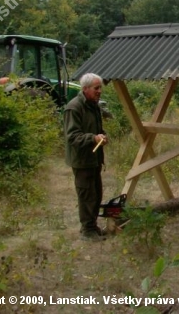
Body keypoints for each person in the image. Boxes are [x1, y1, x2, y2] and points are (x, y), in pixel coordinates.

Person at [64, 73, 109, 241]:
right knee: (86, 195)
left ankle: (92, 226)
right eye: (96, 88)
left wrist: (102, 136)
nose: (99, 92)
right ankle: (87, 231)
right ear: (85, 89)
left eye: (100, 88)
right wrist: (93, 138)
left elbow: (96, 129)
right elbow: (72, 136)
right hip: (82, 160)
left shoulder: (94, 105)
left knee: (96, 193)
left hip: (94, 159)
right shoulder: (74, 107)